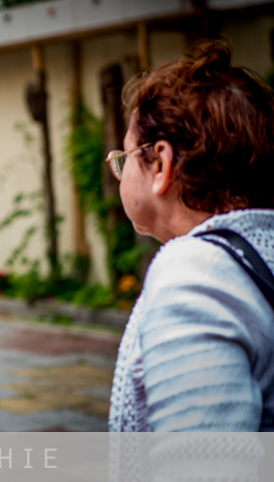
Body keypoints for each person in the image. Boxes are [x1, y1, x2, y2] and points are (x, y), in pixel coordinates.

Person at [108, 40, 274, 432]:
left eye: (125, 157)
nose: (118, 172)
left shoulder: (196, 273)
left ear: (161, 163)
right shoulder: (255, 252)